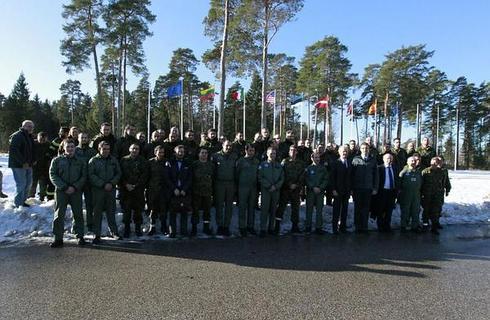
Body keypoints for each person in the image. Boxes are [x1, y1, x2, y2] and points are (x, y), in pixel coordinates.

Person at [49, 139, 87, 247]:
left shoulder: (80, 161)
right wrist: (64, 186)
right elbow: (53, 175)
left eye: (72, 147)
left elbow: (83, 176)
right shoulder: (56, 160)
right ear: (63, 148)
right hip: (61, 191)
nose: (70, 149)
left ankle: (79, 236)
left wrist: (75, 186)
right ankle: (58, 238)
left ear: (75, 148)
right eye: (68, 147)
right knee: (59, 214)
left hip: (76, 191)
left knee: (78, 214)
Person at [88, 141, 122, 244]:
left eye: (108, 149)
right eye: (104, 149)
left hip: (111, 190)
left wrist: (112, 183)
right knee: (97, 212)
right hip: (98, 190)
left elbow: (118, 173)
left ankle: (114, 232)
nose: (106, 151)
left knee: (111, 211)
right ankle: (96, 234)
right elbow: (91, 175)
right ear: (99, 149)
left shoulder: (113, 160)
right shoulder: (93, 161)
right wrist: (103, 184)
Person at [119, 143, 149, 238]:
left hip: (138, 190)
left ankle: (137, 229)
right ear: (129, 149)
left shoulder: (142, 160)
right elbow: (120, 174)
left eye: (137, 149)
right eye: (133, 149)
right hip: (126, 190)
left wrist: (136, 185)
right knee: (126, 211)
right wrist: (126, 184)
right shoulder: (123, 160)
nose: (135, 150)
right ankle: (127, 229)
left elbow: (145, 175)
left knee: (138, 211)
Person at [274, 144, 305, 234]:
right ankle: (277, 226)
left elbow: (302, 176)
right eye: (291, 150)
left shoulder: (301, 163)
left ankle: (295, 226)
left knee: (295, 209)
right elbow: (281, 174)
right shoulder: (285, 161)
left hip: (296, 189)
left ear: (297, 152)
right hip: (285, 189)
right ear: (289, 151)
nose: (293, 152)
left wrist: (296, 185)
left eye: (294, 150)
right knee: (281, 208)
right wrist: (289, 184)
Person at [351, 142, 379, 233]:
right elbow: (351, 174)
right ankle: (357, 226)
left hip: (368, 188)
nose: (365, 150)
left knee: (366, 208)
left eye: (366, 148)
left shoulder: (373, 160)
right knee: (357, 208)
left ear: (369, 149)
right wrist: (351, 188)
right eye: (363, 148)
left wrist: (375, 188)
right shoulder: (355, 159)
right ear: (360, 149)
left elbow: (376, 175)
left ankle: (364, 227)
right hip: (357, 188)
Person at [212, 140, 237, 236]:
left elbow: (236, 170)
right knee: (219, 205)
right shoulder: (216, 156)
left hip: (231, 183)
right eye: (227, 145)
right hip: (219, 183)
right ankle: (219, 225)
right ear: (223, 145)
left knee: (229, 206)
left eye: (230, 146)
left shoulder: (234, 156)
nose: (228, 147)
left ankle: (226, 226)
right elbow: (213, 170)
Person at [8, 120, 36, 207]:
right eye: (28, 126)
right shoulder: (17, 136)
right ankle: (18, 204)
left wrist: (33, 160)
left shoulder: (29, 136)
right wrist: (23, 162)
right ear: (23, 126)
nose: (30, 128)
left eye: (32, 127)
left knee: (28, 183)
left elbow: (32, 150)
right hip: (18, 165)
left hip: (28, 164)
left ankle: (23, 201)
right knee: (21, 184)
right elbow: (14, 151)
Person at [167, 145, 192, 238]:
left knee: (184, 212)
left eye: (182, 151)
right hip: (173, 191)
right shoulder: (170, 163)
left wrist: (184, 189)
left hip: (184, 191)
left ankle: (184, 231)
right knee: (172, 212)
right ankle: (172, 232)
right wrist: (174, 189)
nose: (181, 153)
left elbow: (190, 178)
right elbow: (167, 177)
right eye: (179, 151)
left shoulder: (188, 163)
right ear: (175, 152)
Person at [258, 147, 284, 237]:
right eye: (271, 153)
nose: (272, 155)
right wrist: (269, 185)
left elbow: (282, 178)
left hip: (275, 191)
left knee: (273, 210)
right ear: (267, 154)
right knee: (264, 210)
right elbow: (260, 177)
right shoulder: (262, 165)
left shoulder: (279, 165)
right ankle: (263, 229)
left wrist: (276, 186)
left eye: (274, 153)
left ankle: (271, 228)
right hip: (266, 190)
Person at [421, 157, 450, 234]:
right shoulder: (425, 171)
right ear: (430, 163)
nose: (434, 164)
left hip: (437, 194)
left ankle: (434, 227)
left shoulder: (441, 172)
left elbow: (445, 181)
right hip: (427, 195)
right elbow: (421, 184)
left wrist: (447, 189)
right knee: (426, 210)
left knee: (435, 211)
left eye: (436, 163)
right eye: (433, 163)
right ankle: (425, 225)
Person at [236, 144, 260, 236]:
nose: (251, 152)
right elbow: (236, 174)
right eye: (250, 150)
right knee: (242, 207)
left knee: (251, 208)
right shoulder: (241, 161)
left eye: (253, 151)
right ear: (246, 151)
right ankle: (242, 227)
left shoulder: (256, 161)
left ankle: (250, 226)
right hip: (243, 187)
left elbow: (258, 174)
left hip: (253, 187)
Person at [75, 132, 97, 232]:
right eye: (82, 137)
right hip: (77, 181)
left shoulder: (92, 151)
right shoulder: (74, 150)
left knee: (89, 204)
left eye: (85, 138)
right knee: (77, 205)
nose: (84, 139)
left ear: (88, 139)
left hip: (89, 182)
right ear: (78, 139)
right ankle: (76, 225)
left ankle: (90, 224)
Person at [373, 153, 400, 233]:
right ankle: (380, 227)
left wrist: (397, 189)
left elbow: (397, 179)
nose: (389, 160)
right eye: (387, 158)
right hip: (382, 192)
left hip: (391, 192)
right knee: (380, 210)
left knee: (389, 210)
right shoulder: (379, 168)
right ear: (383, 159)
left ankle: (387, 226)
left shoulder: (395, 168)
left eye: (390, 158)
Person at [191, 147, 215, 236]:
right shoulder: (195, 164)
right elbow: (191, 177)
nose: (204, 154)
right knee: (195, 211)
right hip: (196, 191)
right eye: (202, 153)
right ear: (199, 154)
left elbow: (213, 177)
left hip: (208, 192)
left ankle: (206, 228)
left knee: (207, 211)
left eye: (206, 153)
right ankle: (194, 228)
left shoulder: (211, 165)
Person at [147, 145, 171, 236]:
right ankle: (152, 227)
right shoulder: (150, 162)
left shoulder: (167, 162)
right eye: (159, 152)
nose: (161, 154)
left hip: (164, 190)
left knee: (163, 210)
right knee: (153, 210)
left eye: (162, 152)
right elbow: (147, 176)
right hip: (152, 190)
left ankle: (163, 227)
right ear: (155, 152)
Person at [304, 152, 329, 235]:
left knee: (319, 210)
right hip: (311, 191)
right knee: (309, 210)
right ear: (312, 158)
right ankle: (308, 227)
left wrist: (320, 187)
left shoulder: (323, 168)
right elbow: (306, 179)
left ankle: (318, 227)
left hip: (320, 192)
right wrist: (312, 187)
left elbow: (326, 179)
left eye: (318, 157)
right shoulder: (308, 168)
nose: (317, 159)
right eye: (315, 157)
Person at [330, 145, 352, 234]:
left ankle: (343, 227)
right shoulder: (335, 163)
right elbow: (332, 178)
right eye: (343, 151)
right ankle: (335, 228)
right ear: (339, 152)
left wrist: (351, 189)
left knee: (345, 210)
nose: (344, 153)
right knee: (336, 210)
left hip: (346, 191)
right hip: (337, 191)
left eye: (346, 151)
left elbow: (351, 177)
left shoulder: (350, 163)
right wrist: (333, 189)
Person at [398, 156, 423, 233]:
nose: (413, 162)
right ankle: (403, 226)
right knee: (405, 211)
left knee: (416, 211)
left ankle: (414, 227)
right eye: (411, 161)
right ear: (407, 162)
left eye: (415, 161)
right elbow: (399, 185)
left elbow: (422, 184)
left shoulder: (419, 173)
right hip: (406, 195)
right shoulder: (403, 173)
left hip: (416, 196)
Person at [30, 132, 51, 201]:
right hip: (34, 167)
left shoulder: (48, 144)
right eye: (41, 139)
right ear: (37, 137)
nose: (42, 140)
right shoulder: (33, 143)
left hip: (44, 167)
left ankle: (42, 197)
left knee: (43, 184)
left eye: (44, 139)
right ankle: (31, 197)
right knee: (33, 183)